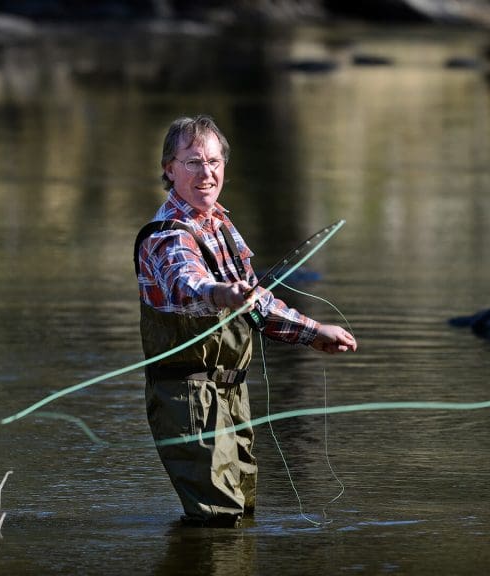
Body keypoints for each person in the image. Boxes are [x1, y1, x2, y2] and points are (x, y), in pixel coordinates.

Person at [134, 115, 357, 527]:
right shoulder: (167, 235)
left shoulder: (221, 225)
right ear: (169, 168)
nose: (207, 173)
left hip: (231, 392)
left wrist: (313, 333)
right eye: (193, 162)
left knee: (244, 509)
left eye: (215, 162)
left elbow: (258, 301)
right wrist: (222, 293)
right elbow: (188, 281)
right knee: (218, 519)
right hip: (188, 399)